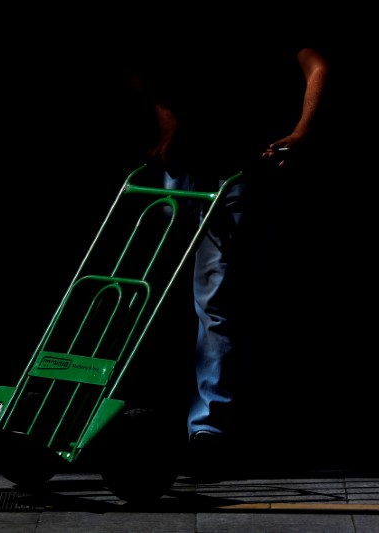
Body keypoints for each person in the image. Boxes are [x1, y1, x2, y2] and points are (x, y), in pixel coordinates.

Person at [118, 14, 339, 477]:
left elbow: (318, 64)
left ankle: (208, 428)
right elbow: (144, 73)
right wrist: (168, 123)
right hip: (179, 163)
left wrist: (303, 131)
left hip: (237, 167)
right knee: (134, 282)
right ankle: (123, 404)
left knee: (217, 297)